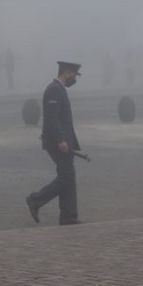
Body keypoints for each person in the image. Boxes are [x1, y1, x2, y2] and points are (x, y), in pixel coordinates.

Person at [26, 61, 84, 226]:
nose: (74, 79)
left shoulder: (59, 89)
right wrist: (61, 140)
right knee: (66, 176)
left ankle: (68, 215)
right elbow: (52, 119)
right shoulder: (54, 89)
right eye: (73, 75)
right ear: (66, 73)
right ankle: (35, 200)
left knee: (68, 176)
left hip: (65, 142)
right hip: (58, 142)